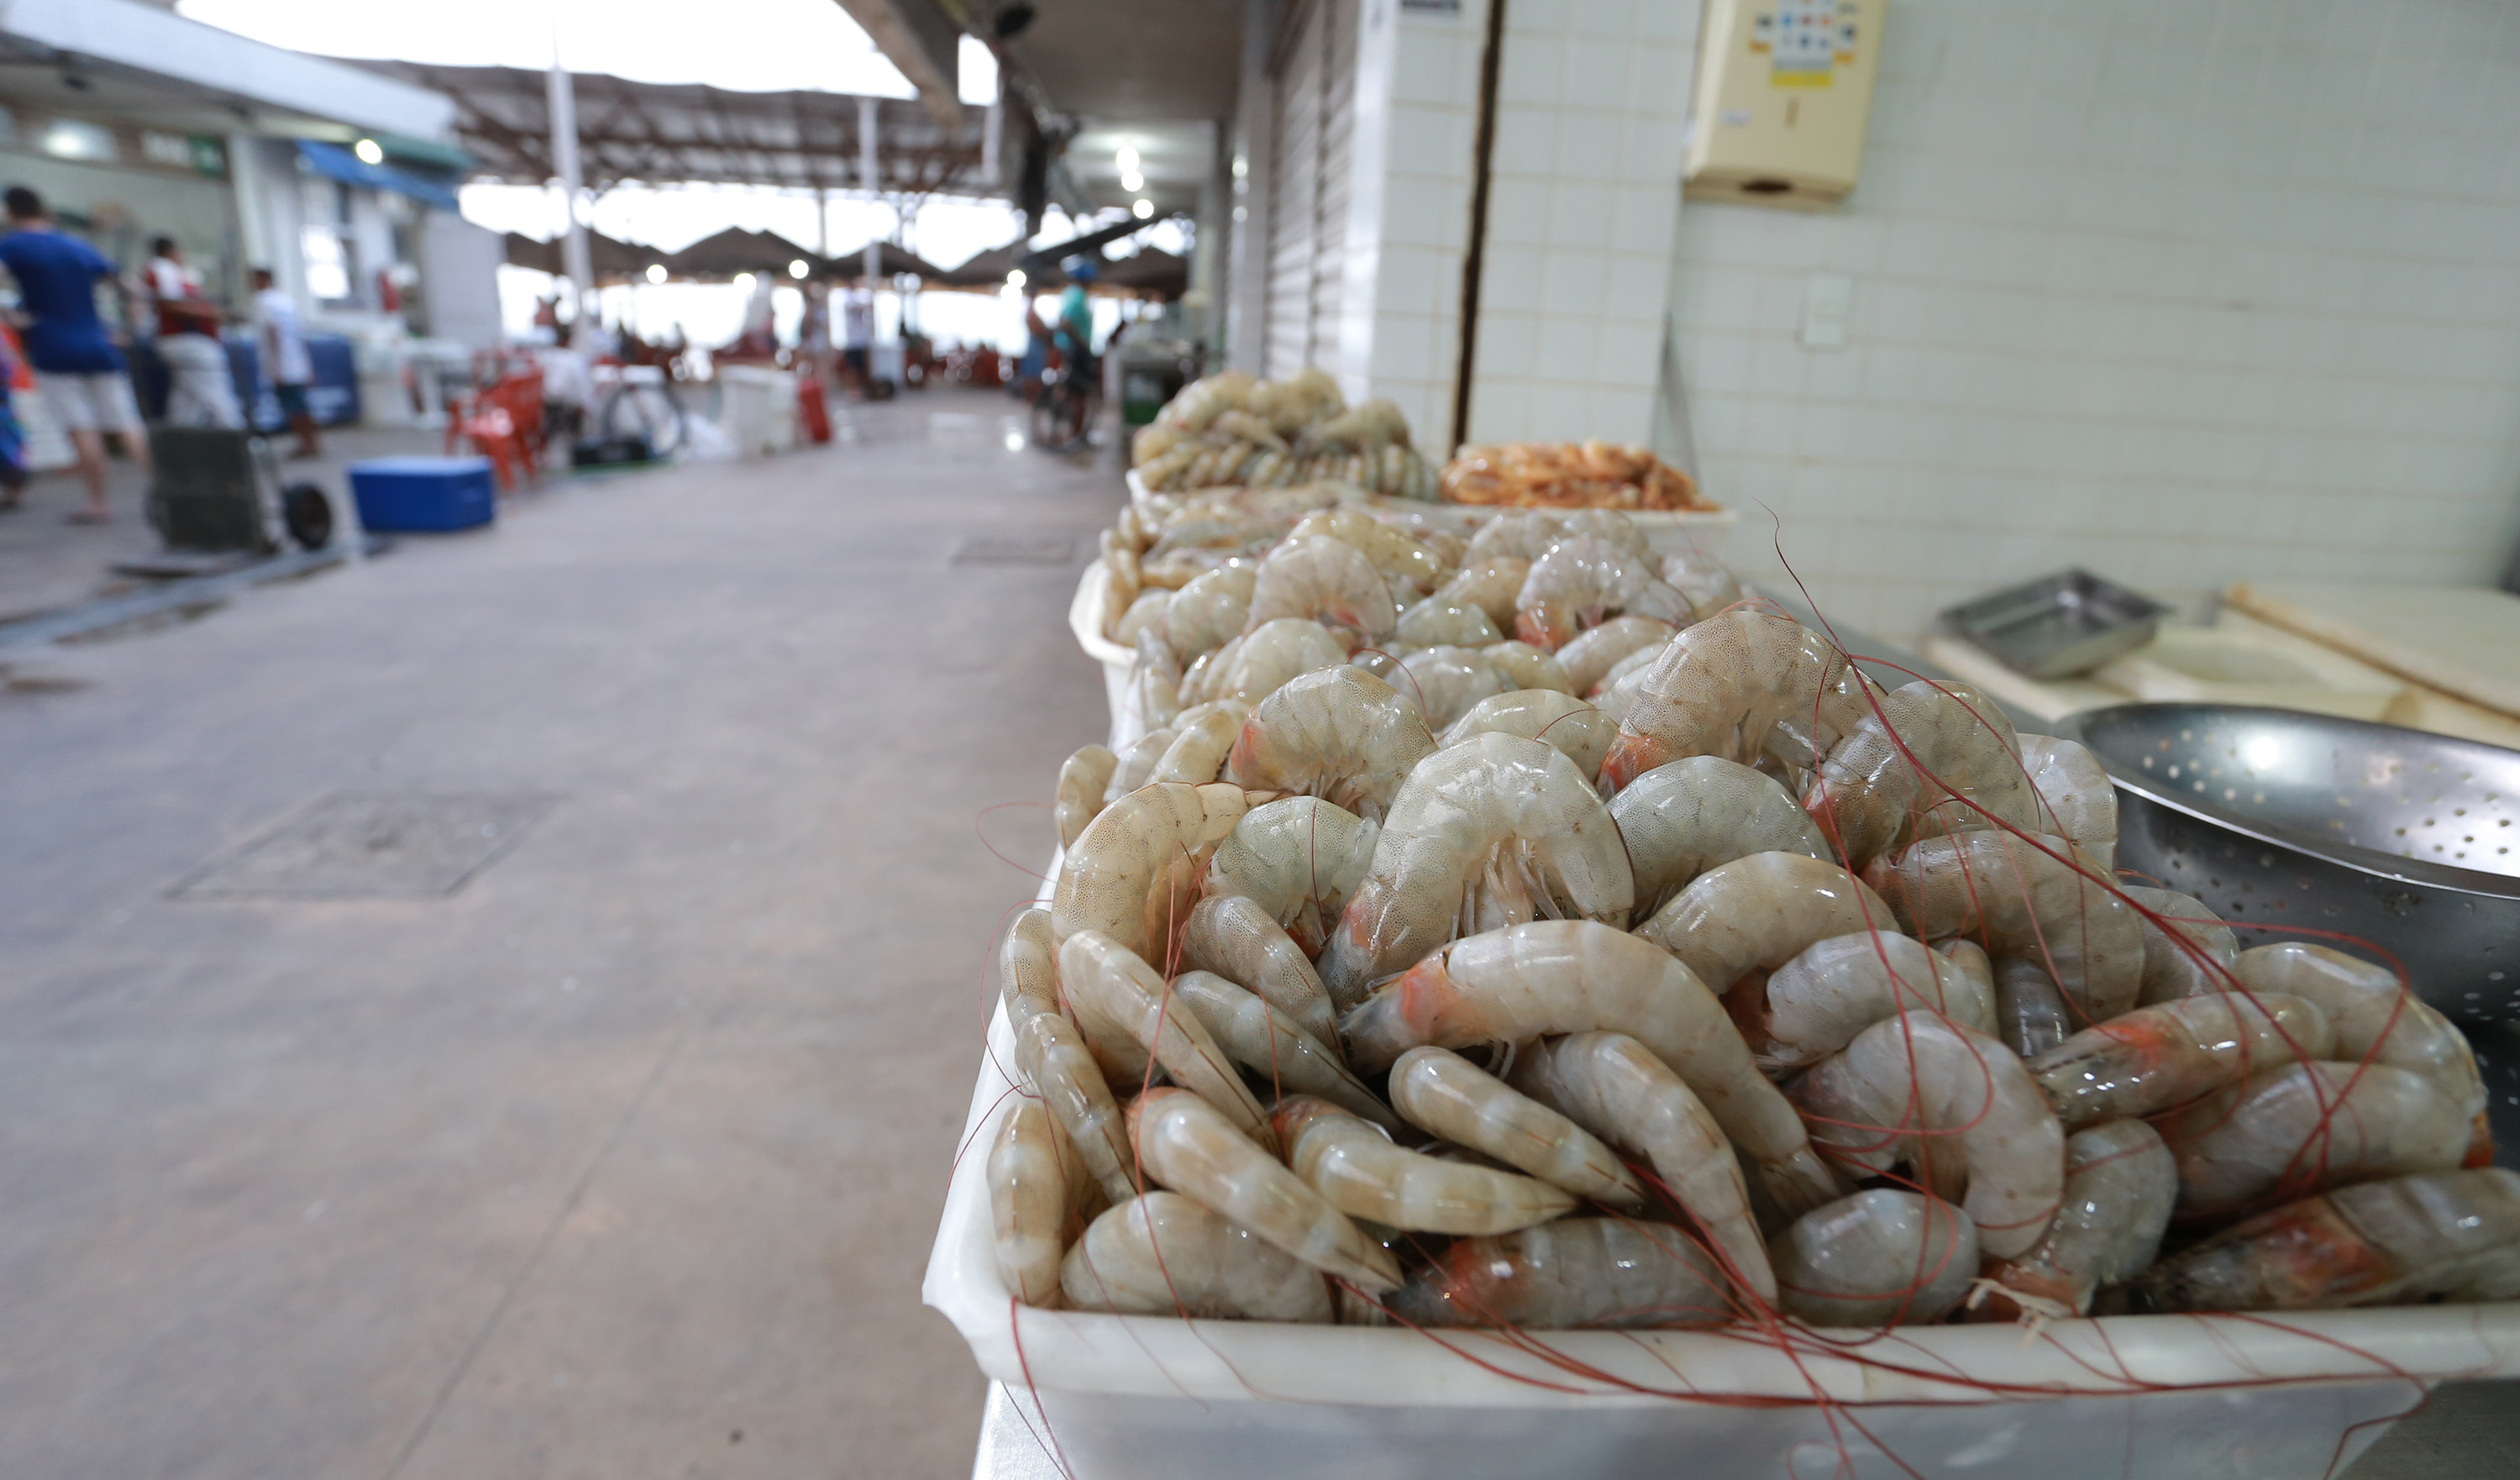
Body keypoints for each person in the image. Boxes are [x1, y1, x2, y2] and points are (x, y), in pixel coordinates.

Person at [0, 186, 148, 523]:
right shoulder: (78, 245)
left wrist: (13, 318)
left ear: (10, 213)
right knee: (127, 424)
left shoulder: (13, 245)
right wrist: (129, 330)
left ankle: (99, 503)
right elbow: (133, 289)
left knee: (83, 429)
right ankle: (173, 493)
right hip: (100, 345)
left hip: (54, 346)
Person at [147, 236, 243, 430]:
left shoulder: (176, 273)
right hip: (187, 341)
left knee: (185, 401)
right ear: (171, 251)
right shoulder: (162, 268)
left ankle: (181, 448)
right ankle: (237, 438)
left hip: (187, 341)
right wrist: (215, 313)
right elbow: (170, 305)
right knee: (216, 394)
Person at [249, 267, 318, 458]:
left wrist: (275, 362)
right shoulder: (287, 302)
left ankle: (307, 445)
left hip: (282, 363)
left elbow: (273, 333)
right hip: (296, 361)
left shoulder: (263, 302)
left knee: (294, 406)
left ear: (263, 280)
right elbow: (300, 333)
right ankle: (310, 443)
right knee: (301, 404)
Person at [839, 280, 873, 392]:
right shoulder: (848, 298)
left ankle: (859, 389)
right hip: (852, 341)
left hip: (860, 341)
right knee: (852, 368)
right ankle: (852, 390)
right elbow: (861, 307)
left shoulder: (858, 297)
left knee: (860, 367)